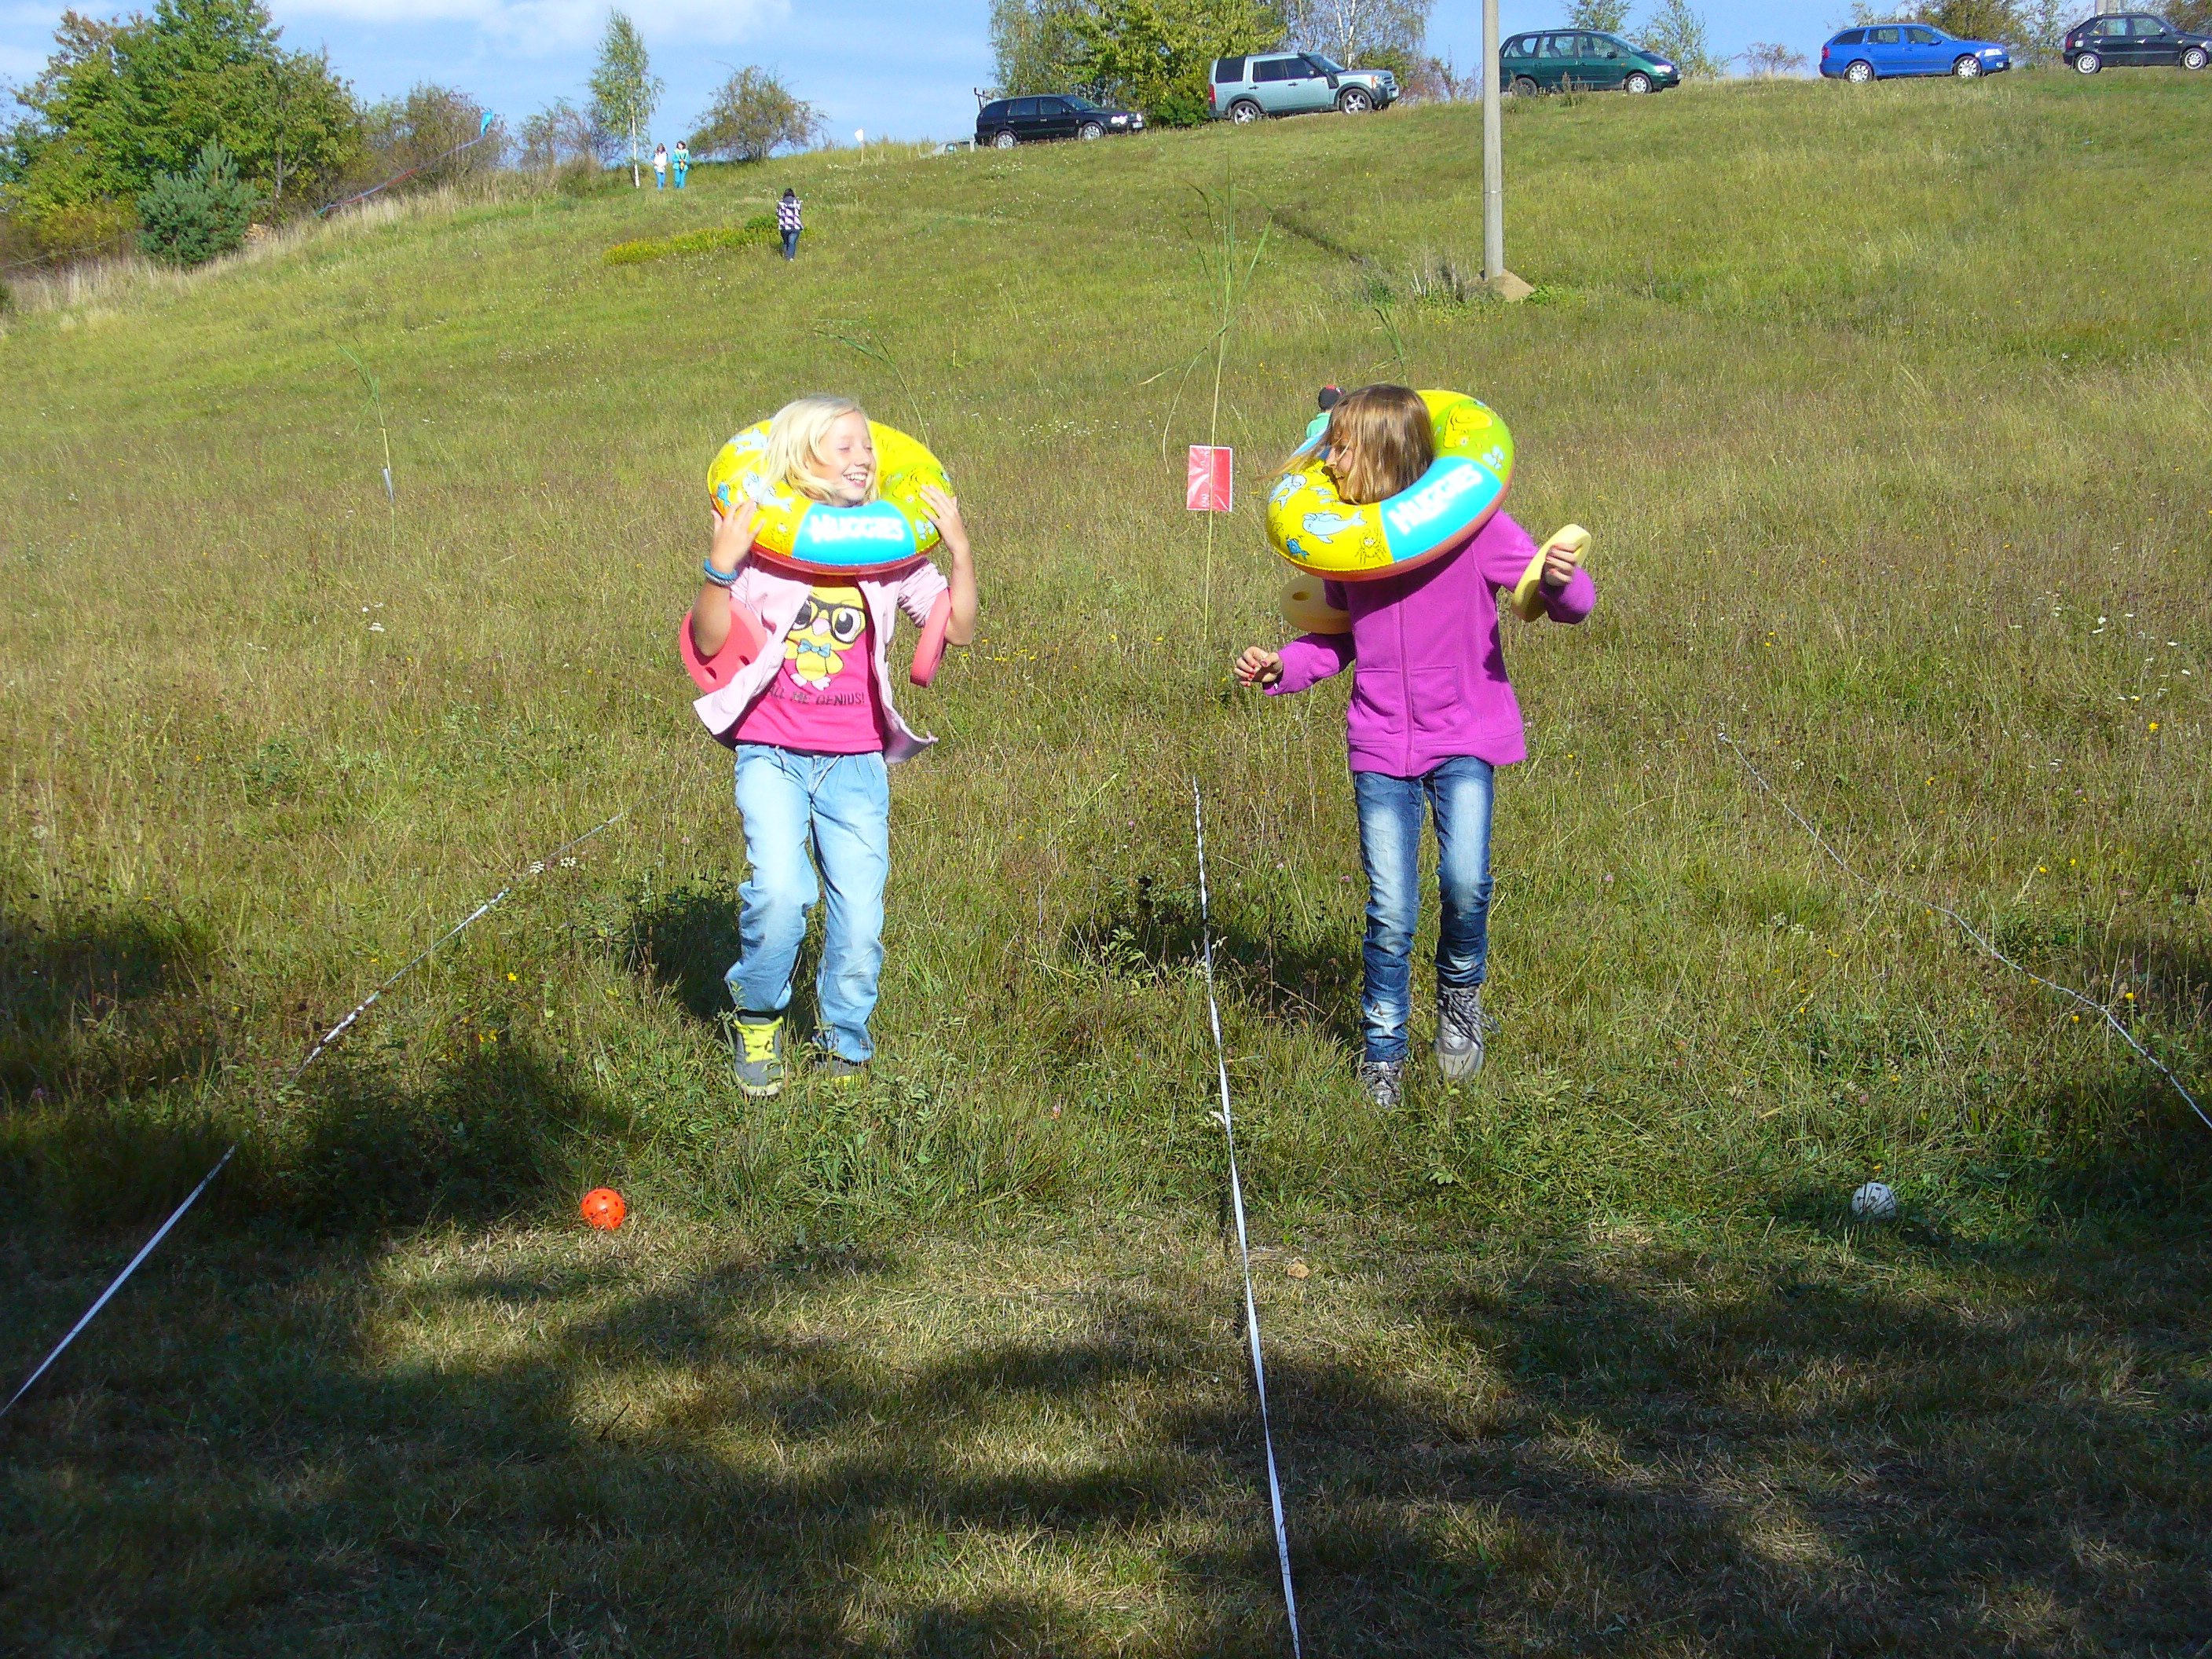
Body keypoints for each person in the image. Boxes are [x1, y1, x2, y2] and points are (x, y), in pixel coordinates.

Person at [1234, 383, 1595, 1108]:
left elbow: (1567, 603)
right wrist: (1281, 667)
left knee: (1465, 883)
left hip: (1463, 735)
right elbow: (1334, 644)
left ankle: (1460, 999)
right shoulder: (1353, 550)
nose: (1328, 464)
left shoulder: (1474, 528)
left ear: (1385, 456)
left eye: (1342, 449)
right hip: (1379, 745)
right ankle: (1383, 1054)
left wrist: (1560, 580)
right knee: (1391, 910)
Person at [687, 396, 979, 1095]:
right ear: (800, 460)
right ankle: (759, 1019)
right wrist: (721, 567)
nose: (863, 458)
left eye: (866, 446)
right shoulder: (767, 551)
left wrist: (961, 551)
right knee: (780, 893)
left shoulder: (888, 555)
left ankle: (845, 1042)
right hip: (772, 753)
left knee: (859, 918)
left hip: (855, 763)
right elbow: (708, 640)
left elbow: (957, 631)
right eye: (843, 446)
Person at [777, 188, 802, 259]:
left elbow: (778, 213)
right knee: (792, 243)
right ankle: (790, 258)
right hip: (795, 226)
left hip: (784, 226)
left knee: (786, 242)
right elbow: (799, 212)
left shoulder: (781, 203)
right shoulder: (797, 202)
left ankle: (786, 257)